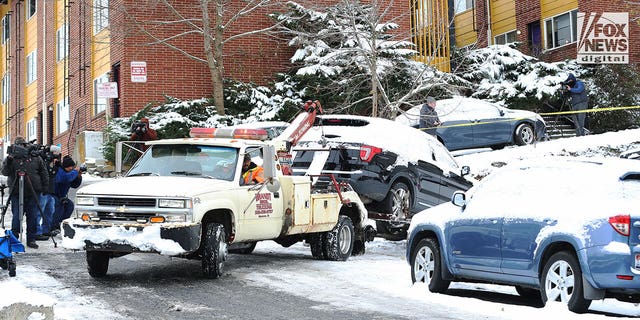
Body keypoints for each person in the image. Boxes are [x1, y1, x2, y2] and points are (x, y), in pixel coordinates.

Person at [1, 136, 49, 249]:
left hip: (33, 192)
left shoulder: (35, 157)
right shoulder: (11, 158)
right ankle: (14, 239)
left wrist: (45, 187)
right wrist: (9, 160)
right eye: (18, 146)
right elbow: (5, 172)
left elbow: (44, 172)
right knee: (17, 216)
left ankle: (31, 239)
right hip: (16, 192)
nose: (20, 148)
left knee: (32, 216)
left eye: (22, 145)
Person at [51, 155, 82, 231]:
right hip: (53, 194)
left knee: (70, 205)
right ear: (66, 166)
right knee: (59, 206)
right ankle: (53, 226)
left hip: (62, 195)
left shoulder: (70, 173)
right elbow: (64, 178)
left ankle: (62, 223)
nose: (72, 168)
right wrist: (75, 172)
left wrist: (78, 177)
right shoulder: (60, 171)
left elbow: (74, 185)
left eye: (73, 167)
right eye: (70, 167)